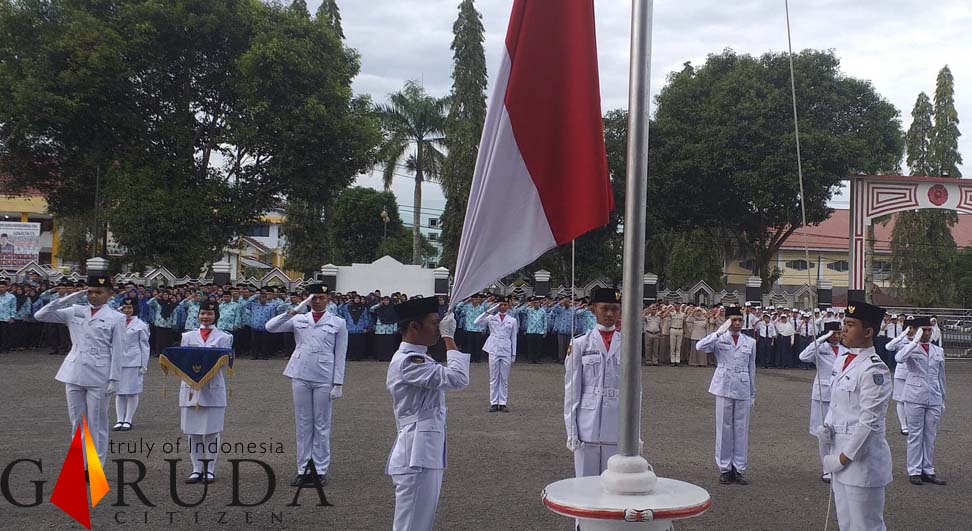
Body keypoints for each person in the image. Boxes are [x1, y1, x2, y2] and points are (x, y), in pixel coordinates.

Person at [385, 298, 469, 531]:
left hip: (423, 450)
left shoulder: (417, 357)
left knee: (419, 522)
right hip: (417, 454)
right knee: (412, 524)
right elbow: (458, 379)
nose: (438, 329)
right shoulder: (410, 361)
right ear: (414, 326)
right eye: (434, 323)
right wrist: (449, 338)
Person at [34, 274, 125, 475]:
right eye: (90, 291)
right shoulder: (75, 311)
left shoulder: (116, 317)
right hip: (74, 371)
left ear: (109, 294)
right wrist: (70, 297)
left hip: (99, 374)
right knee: (77, 422)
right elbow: (40, 315)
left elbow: (118, 351)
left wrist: (114, 379)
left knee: (97, 423)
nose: (94, 295)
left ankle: (95, 467)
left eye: (99, 292)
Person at [817, 300, 892, 531]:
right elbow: (838, 403)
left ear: (868, 332)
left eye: (851, 324)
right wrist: (827, 427)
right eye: (844, 323)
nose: (844, 329)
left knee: (865, 525)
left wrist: (842, 459)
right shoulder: (843, 360)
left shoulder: (874, 369)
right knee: (847, 524)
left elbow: (869, 422)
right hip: (838, 453)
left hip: (860, 462)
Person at [265, 284, 347, 487]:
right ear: (308, 300)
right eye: (313, 298)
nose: (317, 301)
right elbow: (270, 327)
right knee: (303, 424)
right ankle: (303, 469)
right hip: (300, 373)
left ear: (328, 299)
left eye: (321, 297)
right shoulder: (299, 319)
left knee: (321, 424)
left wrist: (338, 382)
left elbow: (341, 354)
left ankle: (319, 470)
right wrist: (296, 308)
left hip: (324, 376)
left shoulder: (338, 322)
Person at [564, 286, 623, 481]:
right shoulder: (581, 343)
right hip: (587, 422)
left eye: (614, 309)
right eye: (604, 308)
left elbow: (634, 393)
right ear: (593, 309)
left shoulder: (627, 344)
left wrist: (634, 432)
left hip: (617, 423)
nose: (609, 314)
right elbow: (572, 391)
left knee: (613, 482)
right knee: (584, 482)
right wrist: (571, 430)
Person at [697, 306, 756, 485]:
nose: (737, 323)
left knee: (741, 429)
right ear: (727, 320)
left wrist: (753, 392)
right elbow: (700, 346)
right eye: (733, 320)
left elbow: (752, 369)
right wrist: (718, 332)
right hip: (723, 385)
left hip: (743, 385)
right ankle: (724, 468)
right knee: (724, 427)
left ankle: (738, 468)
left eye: (740, 320)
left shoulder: (750, 342)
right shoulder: (719, 338)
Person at [178, 301, 234, 484]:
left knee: (212, 431)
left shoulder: (224, 337)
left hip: (212, 387)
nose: (205, 317)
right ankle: (196, 469)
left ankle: (210, 468)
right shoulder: (187, 336)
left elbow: (225, 362)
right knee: (192, 431)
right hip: (191, 387)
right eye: (203, 313)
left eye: (210, 313)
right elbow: (182, 359)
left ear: (216, 315)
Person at [894, 316, 947, 486]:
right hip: (915, 396)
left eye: (928, 330)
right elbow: (899, 358)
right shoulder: (909, 348)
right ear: (916, 331)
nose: (926, 333)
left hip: (934, 396)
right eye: (923, 329)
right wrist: (914, 341)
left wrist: (943, 398)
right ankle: (914, 470)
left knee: (930, 435)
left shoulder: (938, 351)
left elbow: (941, 377)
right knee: (915, 434)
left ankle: (928, 470)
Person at [797, 321, 844, 482]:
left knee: (838, 432)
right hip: (823, 394)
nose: (837, 336)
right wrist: (822, 338)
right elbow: (803, 357)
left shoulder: (846, 349)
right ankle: (826, 468)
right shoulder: (820, 348)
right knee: (823, 433)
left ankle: (837, 465)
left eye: (839, 333)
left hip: (840, 395)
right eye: (834, 333)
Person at [113, 297, 150, 432]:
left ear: (135, 308)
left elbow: (144, 346)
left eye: (130, 308)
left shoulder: (141, 325)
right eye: (125, 307)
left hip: (134, 361)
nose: (127, 310)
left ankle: (128, 419)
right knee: (119, 392)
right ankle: (119, 419)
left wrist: (143, 365)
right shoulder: (117, 323)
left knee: (132, 392)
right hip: (118, 361)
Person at [474, 297, 518, 412]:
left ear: (508, 306)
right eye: (501, 304)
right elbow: (476, 321)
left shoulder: (512, 320)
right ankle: (494, 402)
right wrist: (491, 309)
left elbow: (514, 337)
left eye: (505, 304)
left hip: (506, 349)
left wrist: (514, 354)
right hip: (493, 348)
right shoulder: (491, 317)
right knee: (493, 377)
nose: (503, 306)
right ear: (498, 306)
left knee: (504, 378)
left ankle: (502, 402)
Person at [885, 319, 915, 435]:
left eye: (912, 328)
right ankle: (903, 425)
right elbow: (889, 346)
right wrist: (902, 335)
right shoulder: (901, 340)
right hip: (902, 373)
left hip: (914, 374)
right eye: (909, 328)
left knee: (912, 401)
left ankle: (912, 424)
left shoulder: (918, 341)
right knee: (901, 400)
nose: (911, 330)